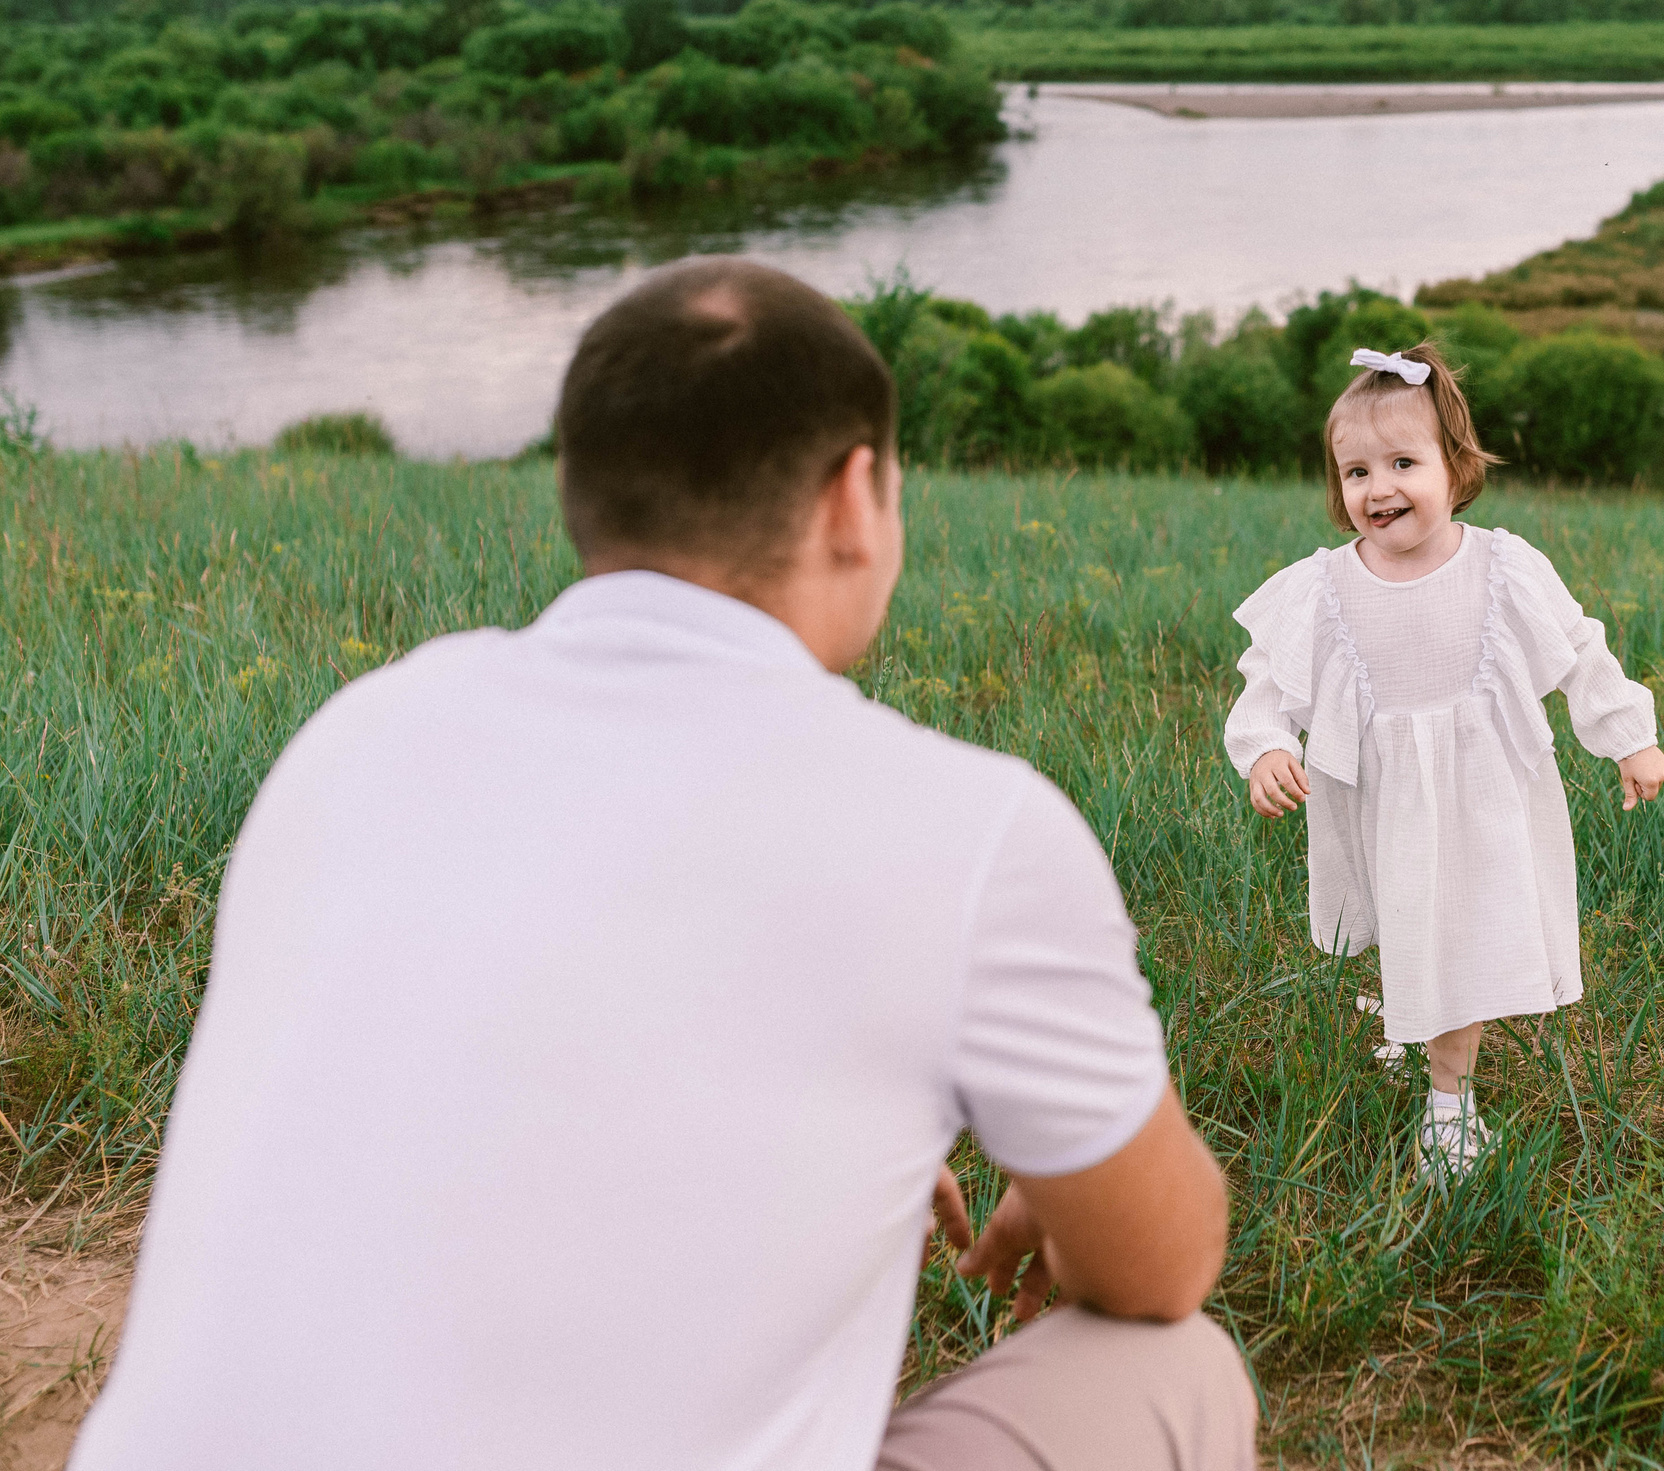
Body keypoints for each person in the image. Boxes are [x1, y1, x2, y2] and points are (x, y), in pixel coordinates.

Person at [72, 259, 1253, 1471]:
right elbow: (1160, 1263)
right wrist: (1054, 1182)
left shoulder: (354, 733)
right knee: (1178, 1367)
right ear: (856, 497)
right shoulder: (976, 825)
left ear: (581, 489)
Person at [1224, 341, 1664, 1183]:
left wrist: (1627, 734)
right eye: (1356, 471)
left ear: (1456, 466)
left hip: (1484, 799)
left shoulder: (1501, 567)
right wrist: (1268, 748)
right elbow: (1267, 680)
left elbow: (1578, 650)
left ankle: (1449, 1103)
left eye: (1402, 462)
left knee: (1465, 939)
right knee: (1412, 929)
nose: (1377, 487)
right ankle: (1417, 1031)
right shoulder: (1323, 587)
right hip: (1381, 799)